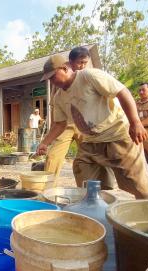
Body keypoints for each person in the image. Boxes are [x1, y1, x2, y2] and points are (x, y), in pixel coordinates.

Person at [37, 54, 148, 199]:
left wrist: (135, 122)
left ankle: (147, 213)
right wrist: (44, 143)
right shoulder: (59, 97)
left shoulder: (88, 76)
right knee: (84, 174)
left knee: (139, 187)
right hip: (91, 143)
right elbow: (60, 124)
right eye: (49, 79)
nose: (52, 81)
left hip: (117, 136)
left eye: (53, 76)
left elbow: (122, 92)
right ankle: (96, 208)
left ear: (65, 68)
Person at [42, 47, 115, 189]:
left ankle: (100, 192)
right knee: (53, 156)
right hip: (65, 125)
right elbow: (56, 109)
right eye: (79, 63)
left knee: (95, 157)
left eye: (84, 63)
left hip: (88, 126)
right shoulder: (58, 79)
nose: (81, 66)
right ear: (69, 63)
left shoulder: (89, 76)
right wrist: (47, 139)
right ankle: (48, 190)